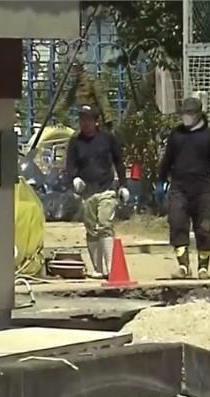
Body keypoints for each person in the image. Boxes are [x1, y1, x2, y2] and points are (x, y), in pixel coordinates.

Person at [158, 96, 210, 279]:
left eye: (190, 113)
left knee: (204, 228)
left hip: (202, 189)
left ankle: (203, 267)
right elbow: (167, 159)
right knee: (177, 223)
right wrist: (161, 180)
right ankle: (183, 267)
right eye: (184, 113)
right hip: (179, 187)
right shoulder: (176, 134)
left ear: (198, 114)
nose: (186, 117)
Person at [66, 105, 129, 279]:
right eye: (81, 120)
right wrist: (74, 179)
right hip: (86, 192)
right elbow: (70, 165)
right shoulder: (75, 141)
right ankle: (97, 268)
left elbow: (119, 162)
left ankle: (111, 267)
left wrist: (123, 184)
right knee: (91, 229)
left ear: (96, 122)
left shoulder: (107, 139)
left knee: (105, 225)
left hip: (106, 189)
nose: (84, 123)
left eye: (88, 120)